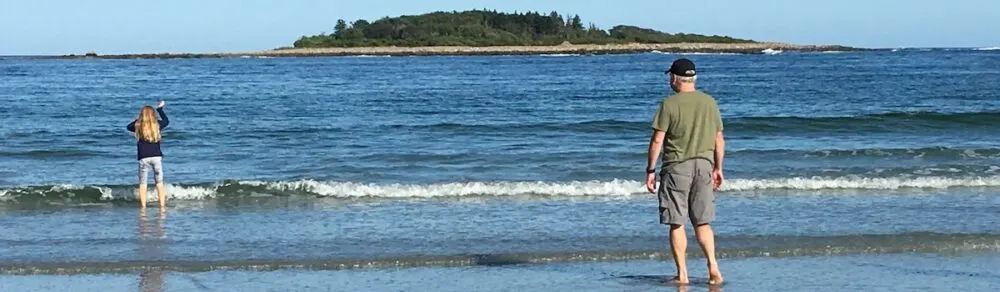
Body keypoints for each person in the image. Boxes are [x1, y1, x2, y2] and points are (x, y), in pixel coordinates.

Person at [645, 58, 725, 286]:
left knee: (676, 222)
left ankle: (682, 273)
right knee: (703, 222)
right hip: (704, 166)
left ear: (674, 78)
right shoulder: (710, 102)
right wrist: (718, 167)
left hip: (676, 167)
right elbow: (719, 138)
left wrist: (650, 169)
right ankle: (713, 266)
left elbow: (657, 139)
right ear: (693, 78)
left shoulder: (669, 104)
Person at [127, 100, 170, 208]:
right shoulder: (157, 125)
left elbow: (128, 126)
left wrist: (139, 119)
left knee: (143, 184)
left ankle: (143, 207)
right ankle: (162, 207)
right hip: (156, 157)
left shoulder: (138, 125)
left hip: (143, 158)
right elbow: (166, 121)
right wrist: (160, 110)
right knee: (159, 183)